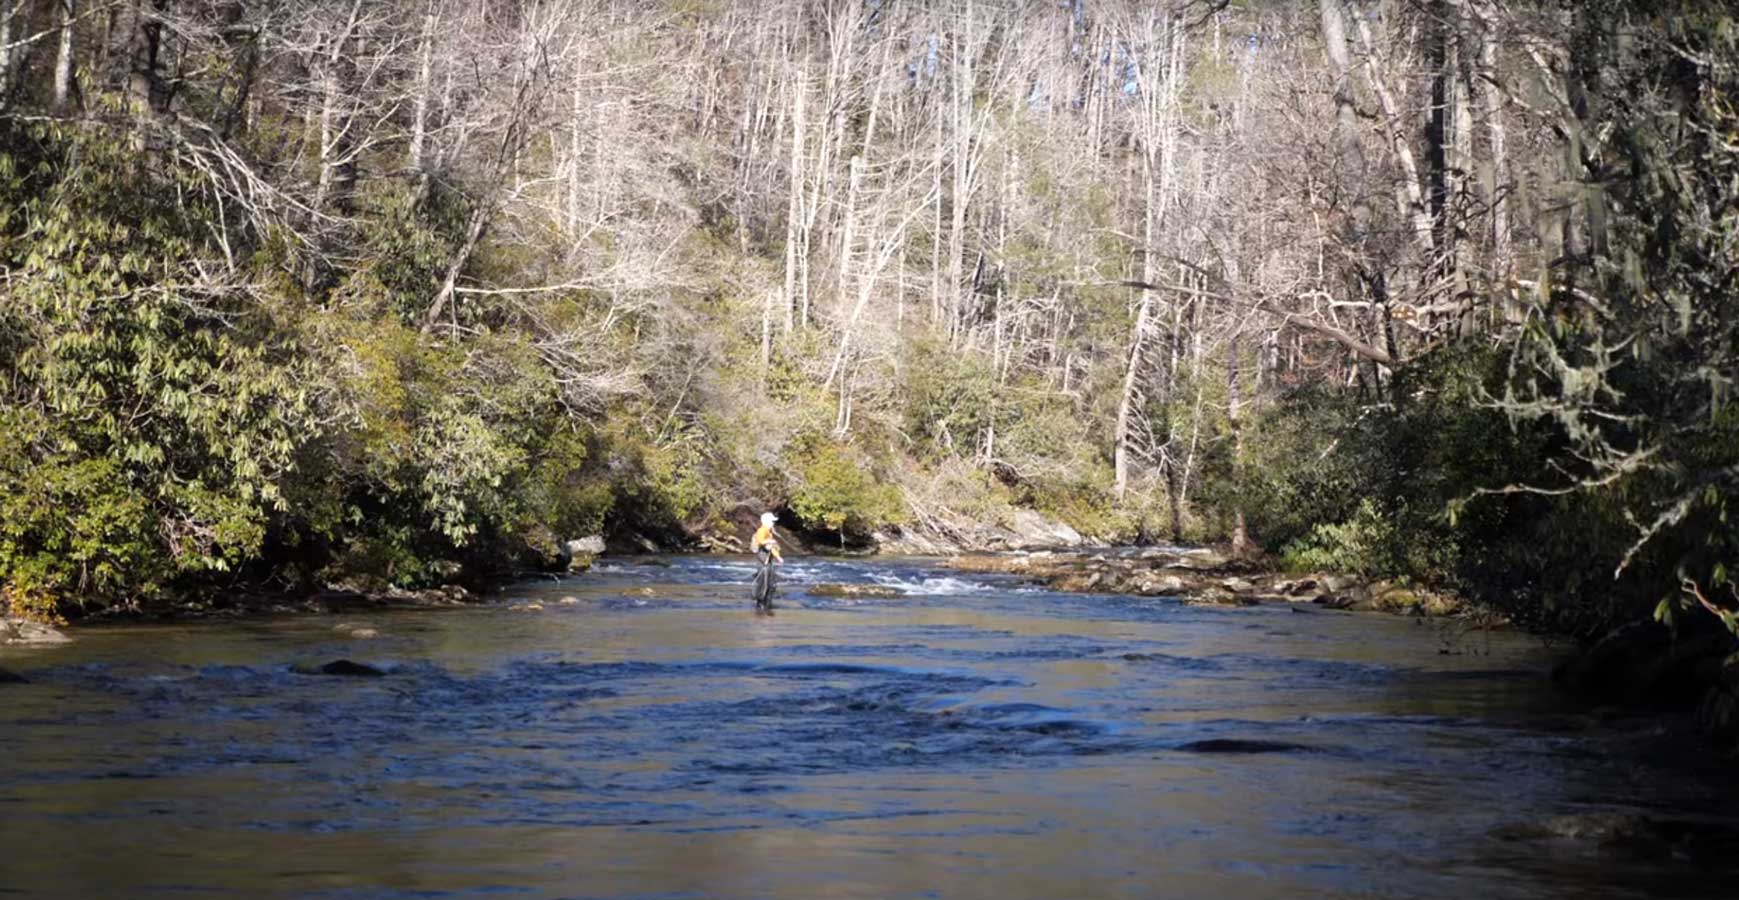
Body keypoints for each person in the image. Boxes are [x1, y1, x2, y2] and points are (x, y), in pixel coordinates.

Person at [750, 511, 783, 611]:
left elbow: (772, 548)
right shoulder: (762, 530)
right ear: (767, 522)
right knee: (763, 583)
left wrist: (778, 557)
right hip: (762, 560)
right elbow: (760, 541)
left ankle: (767, 604)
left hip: (768, 561)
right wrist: (769, 541)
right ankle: (760, 604)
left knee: (771, 582)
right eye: (772, 521)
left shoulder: (769, 532)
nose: (773, 523)